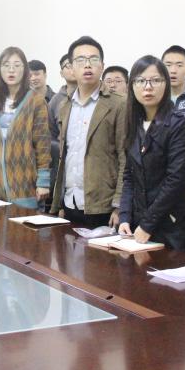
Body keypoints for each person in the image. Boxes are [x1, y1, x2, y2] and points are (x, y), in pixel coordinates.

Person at [117, 55, 185, 252]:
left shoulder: (178, 124)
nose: (148, 87)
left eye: (155, 80)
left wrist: (147, 224)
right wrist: (125, 216)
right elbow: (129, 176)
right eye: (140, 81)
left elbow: (175, 181)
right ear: (132, 86)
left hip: (172, 228)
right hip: (139, 226)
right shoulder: (134, 123)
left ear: (166, 84)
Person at [50, 36, 127, 228]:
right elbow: (65, 156)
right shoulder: (65, 105)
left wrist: (119, 206)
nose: (87, 65)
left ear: (102, 66)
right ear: (71, 68)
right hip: (70, 202)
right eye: (80, 60)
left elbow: (125, 157)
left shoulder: (118, 104)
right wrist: (60, 201)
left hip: (103, 206)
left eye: (93, 59)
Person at [0, 47, 51, 203]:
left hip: (27, 184)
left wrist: (43, 181)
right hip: (0, 186)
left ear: (25, 70)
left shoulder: (36, 101)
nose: (11, 70)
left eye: (17, 65)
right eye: (6, 65)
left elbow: (43, 144)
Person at [48, 53, 77, 140]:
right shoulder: (55, 101)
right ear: (61, 73)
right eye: (69, 66)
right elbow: (51, 134)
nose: (73, 69)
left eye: (76, 65)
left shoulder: (94, 95)